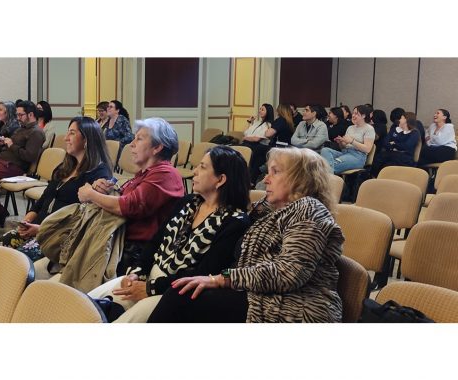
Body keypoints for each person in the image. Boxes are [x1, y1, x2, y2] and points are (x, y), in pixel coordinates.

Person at [148, 147, 344, 323]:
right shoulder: (267, 211)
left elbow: (288, 273)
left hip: (295, 306)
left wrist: (221, 279)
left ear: (301, 179)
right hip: (258, 295)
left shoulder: (308, 210)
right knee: (185, 290)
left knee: (181, 296)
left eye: (275, 172)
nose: (265, 179)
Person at [88, 145, 251, 322]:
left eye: (202, 167)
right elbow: (155, 241)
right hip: (146, 277)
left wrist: (150, 287)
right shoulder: (188, 203)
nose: (194, 172)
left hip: (173, 293)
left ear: (220, 180)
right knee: (86, 304)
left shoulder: (235, 222)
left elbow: (204, 272)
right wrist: (136, 272)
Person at [0, 116, 113, 261]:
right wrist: (28, 219)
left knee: (14, 262)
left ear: (86, 139)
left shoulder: (98, 174)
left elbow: (80, 221)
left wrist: (40, 229)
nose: (66, 138)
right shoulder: (66, 166)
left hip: (57, 237)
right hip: (37, 227)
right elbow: (45, 197)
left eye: (72, 133)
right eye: (67, 132)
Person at [78, 117, 184, 275]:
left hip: (136, 255)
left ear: (157, 147)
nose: (132, 144)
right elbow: (125, 198)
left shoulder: (166, 173)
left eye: (139, 139)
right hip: (118, 244)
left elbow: (129, 206)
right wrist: (106, 190)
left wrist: (91, 195)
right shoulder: (144, 173)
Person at [0, 100, 45, 227]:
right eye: (17, 114)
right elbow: (13, 145)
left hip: (13, 166)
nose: (17, 118)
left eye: (20, 115)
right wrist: (4, 142)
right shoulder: (21, 129)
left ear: (30, 115)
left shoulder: (36, 132)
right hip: (2, 162)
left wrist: (11, 145)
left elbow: (29, 156)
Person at [320, 104, 375, 174]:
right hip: (345, 153)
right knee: (325, 150)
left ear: (363, 116)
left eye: (356, 114)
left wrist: (352, 141)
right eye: (353, 113)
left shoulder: (369, 129)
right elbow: (342, 147)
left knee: (327, 166)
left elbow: (367, 149)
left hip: (357, 157)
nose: (353, 115)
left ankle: (326, 175)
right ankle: (328, 173)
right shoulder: (350, 128)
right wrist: (341, 142)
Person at [371, 112, 421, 177]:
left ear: (406, 120)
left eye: (401, 118)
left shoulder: (414, 133)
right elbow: (385, 142)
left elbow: (406, 146)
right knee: (382, 160)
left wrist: (393, 143)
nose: (399, 120)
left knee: (383, 159)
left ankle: (374, 177)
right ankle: (374, 177)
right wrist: (395, 145)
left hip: (405, 158)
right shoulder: (395, 129)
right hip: (391, 155)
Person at [242, 103, 274, 184]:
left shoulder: (268, 125)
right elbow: (245, 133)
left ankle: (250, 181)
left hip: (260, 146)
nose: (260, 111)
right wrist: (249, 122)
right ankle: (248, 180)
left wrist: (246, 138)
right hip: (250, 144)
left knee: (254, 160)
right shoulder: (256, 122)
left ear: (268, 112)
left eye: (262, 109)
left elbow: (257, 139)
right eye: (260, 109)